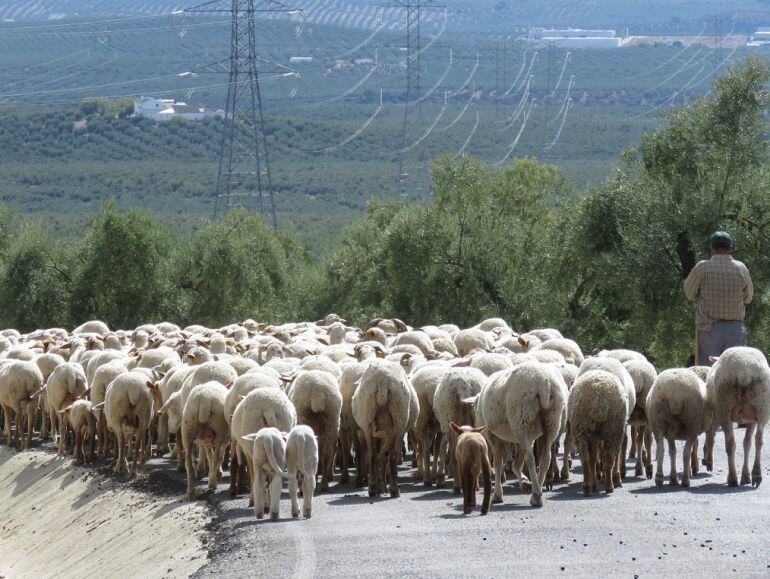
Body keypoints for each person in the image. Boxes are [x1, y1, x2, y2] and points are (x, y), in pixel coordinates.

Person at [683, 231, 753, 366]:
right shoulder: (741, 268)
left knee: (708, 372)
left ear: (711, 247)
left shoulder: (702, 268)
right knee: (734, 371)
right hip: (735, 329)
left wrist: (701, 295)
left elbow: (689, 294)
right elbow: (748, 297)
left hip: (708, 329)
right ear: (730, 248)